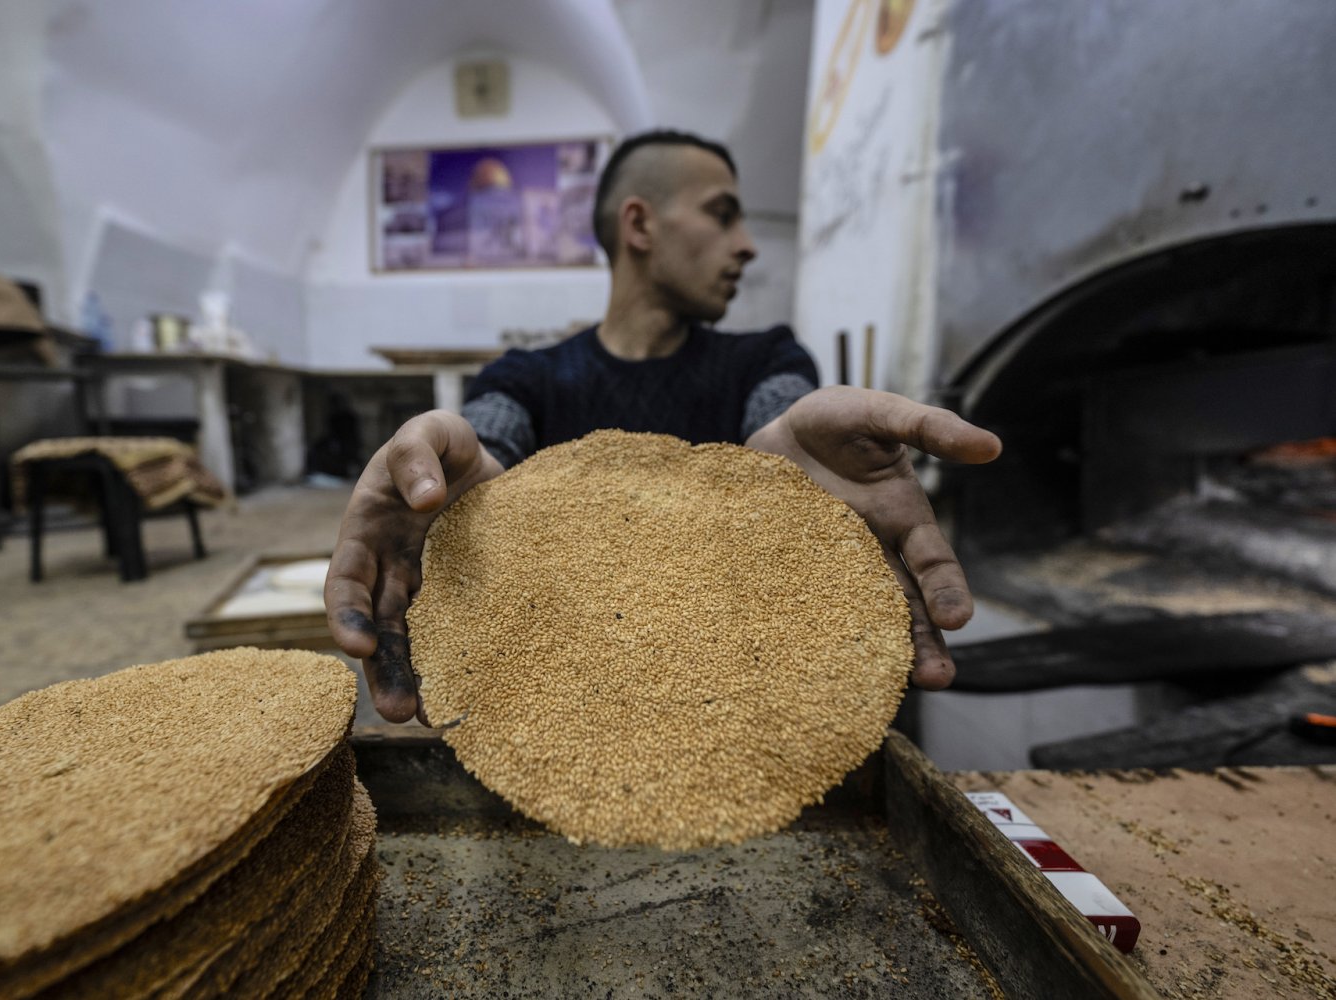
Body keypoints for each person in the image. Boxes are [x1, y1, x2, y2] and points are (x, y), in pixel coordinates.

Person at [326, 129, 1002, 725]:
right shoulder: (527, 377)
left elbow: (779, 415)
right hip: (570, 713)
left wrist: (786, 460)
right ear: (639, 226)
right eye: (722, 215)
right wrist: (448, 474)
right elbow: (491, 435)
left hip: (731, 712)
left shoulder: (764, 358)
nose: (747, 247)